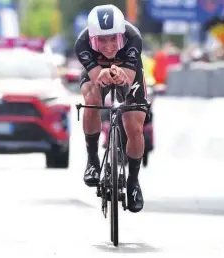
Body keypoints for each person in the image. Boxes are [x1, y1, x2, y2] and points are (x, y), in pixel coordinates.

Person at [74, 4, 148, 213]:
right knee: (91, 98)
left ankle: (133, 181)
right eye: (101, 41)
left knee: (133, 124)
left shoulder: (133, 37)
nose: (108, 47)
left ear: (121, 35)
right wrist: (102, 74)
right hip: (96, 72)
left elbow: (128, 80)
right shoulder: (81, 43)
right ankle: (92, 160)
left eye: (113, 39)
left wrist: (118, 72)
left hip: (128, 70)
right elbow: (97, 76)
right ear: (91, 40)